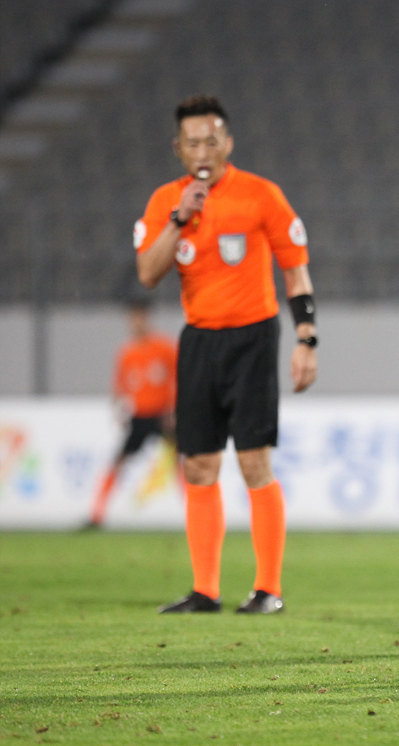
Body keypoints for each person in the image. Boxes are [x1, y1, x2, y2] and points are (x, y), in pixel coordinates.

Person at [134, 95, 318, 614]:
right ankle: (205, 591)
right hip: (199, 340)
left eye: (211, 141)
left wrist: (306, 339)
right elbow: (147, 274)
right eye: (192, 143)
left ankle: (268, 590)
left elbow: (296, 272)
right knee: (197, 464)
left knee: (254, 460)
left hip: (253, 337)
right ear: (178, 148)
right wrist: (179, 217)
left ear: (228, 143)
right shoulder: (166, 202)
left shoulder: (261, 195)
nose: (202, 151)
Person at [86, 298, 180, 528]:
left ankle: (194, 515)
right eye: (132, 317)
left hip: (162, 416)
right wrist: (118, 409)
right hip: (139, 417)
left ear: (147, 318)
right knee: (118, 462)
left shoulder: (164, 347)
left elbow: (178, 378)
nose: (136, 321)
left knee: (182, 464)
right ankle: (96, 515)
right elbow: (121, 384)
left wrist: (173, 409)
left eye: (140, 316)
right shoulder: (127, 352)